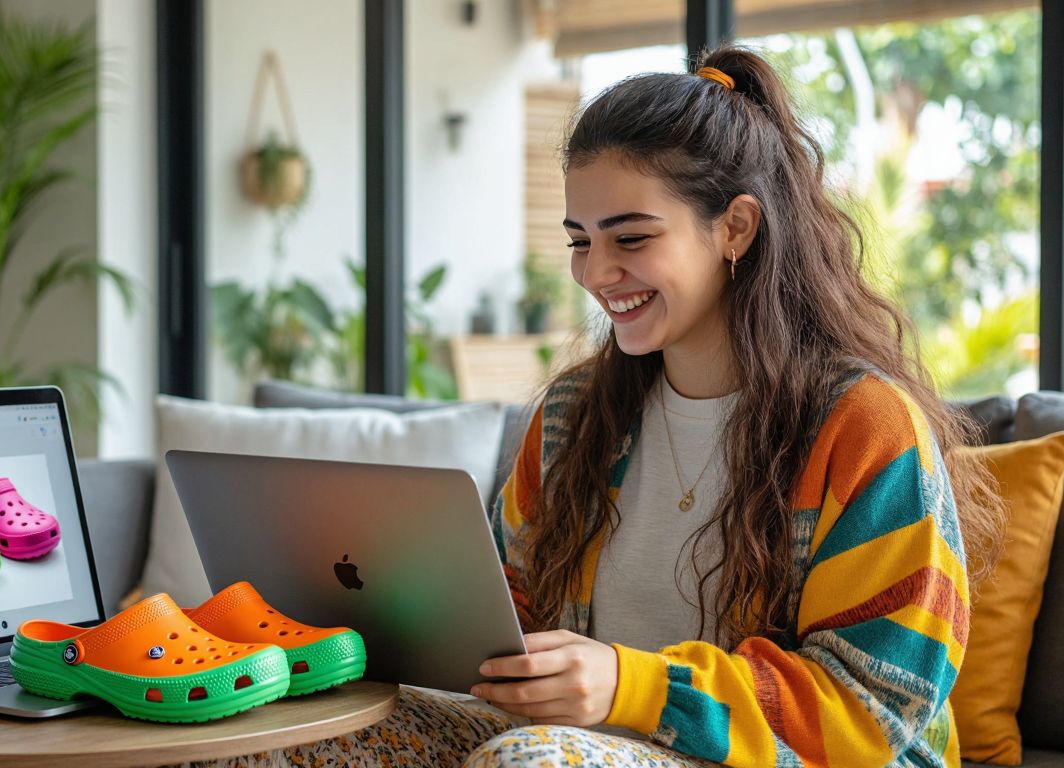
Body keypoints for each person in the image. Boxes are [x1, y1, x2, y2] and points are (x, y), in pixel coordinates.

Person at [198, 43, 1004, 768]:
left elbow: (873, 707)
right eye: (581, 239)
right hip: (582, 745)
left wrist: (631, 685)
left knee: (534, 765)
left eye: (631, 238)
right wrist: (395, 626)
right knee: (276, 742)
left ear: (736, 228)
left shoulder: (864, 429)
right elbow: (505, 610)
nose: (594, 271)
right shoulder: (572, 418)